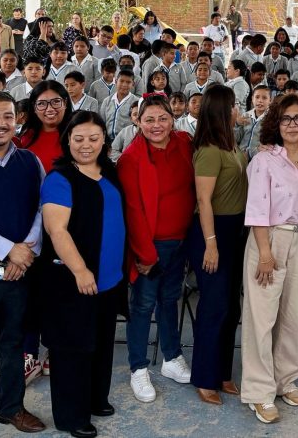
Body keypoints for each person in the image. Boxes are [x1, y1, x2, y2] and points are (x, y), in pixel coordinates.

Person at [40, 111, 126, 438]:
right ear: (68, 141)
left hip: (109, 278)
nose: (86, 145)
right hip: (74, 279)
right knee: (72, 347)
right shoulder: (60, 178)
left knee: (100, 343)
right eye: (78, 139)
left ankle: (94, 399)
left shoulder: (110, 171)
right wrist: (80, 269)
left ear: (104, 139)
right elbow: (57, 230)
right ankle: (70, 416)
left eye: (93, 138)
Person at [240, 94, 298, 423]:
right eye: (286, 118)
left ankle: (286, 379)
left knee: (293, 315)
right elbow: (257, 208)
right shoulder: (265, 160)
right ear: (276, 123)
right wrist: (265, 254)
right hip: (269, 239)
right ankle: (259, 391)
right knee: (262, 318)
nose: (292, 124)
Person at [116, 94, 195, 404]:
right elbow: (133, 210)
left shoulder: (184, 143)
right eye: (149, 119)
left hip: (180, 241)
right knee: (143, 305)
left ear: (172, 119)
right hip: (150, 246)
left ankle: (171, 357)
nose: (156, 125)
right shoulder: (131, 158)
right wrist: (144, 254)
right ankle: (138, 367)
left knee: (170, 299)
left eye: (162, 118)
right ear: (138, 121)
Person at [187, 85, 247, 405]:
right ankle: (204, 376)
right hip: (213, 232)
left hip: (235, 231)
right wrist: (211, 244)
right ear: (223, 111)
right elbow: (203, 200)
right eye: (234, 105)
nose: (238, 110)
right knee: (214, 306)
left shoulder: (232, 143)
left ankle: (223, 372)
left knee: (231, 306)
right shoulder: (209, 150)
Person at [0, 91, 46, 434]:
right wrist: (7, 249)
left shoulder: (30, 161)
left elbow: (42, 209)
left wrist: (25, 252)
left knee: (12, 342)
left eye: (8, 116)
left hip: (17, 272)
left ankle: (9, 407)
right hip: (6, 259)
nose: (1, 124)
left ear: (19, 120)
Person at [98, 70, 138, 141]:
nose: (124, 85)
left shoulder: (136, 102)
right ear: (116, 81)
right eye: (121, 81)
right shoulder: (107, 101)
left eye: (128, 82)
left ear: (133, 84)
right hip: (108, 141)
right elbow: (101, 122)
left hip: (128, 141)